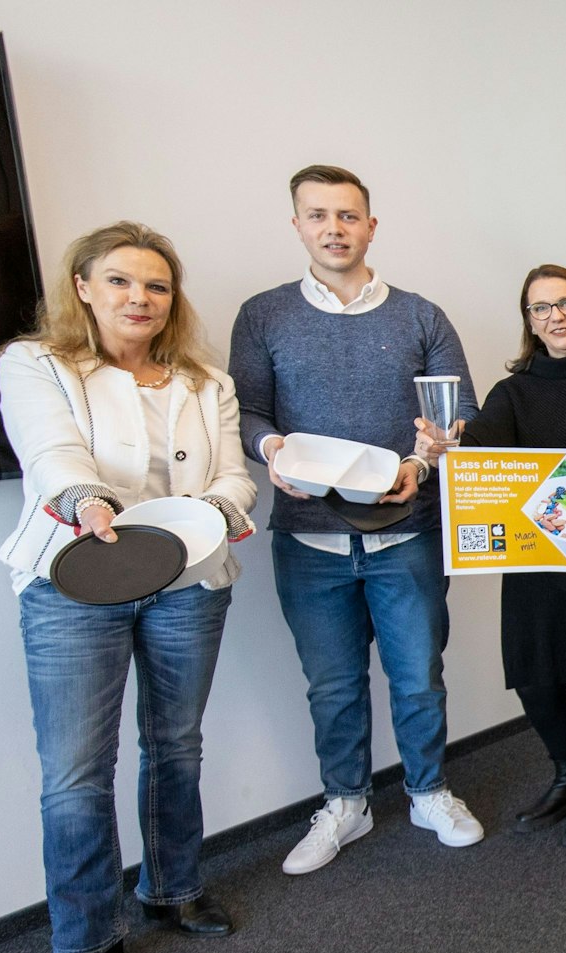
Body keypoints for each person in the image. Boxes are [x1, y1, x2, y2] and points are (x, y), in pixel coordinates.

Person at [0, 222, 258, 953]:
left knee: (175, 744)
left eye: (156, 285)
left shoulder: (206, 382)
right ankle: (82, 939)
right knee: (76, 770)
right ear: (82, 287)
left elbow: (233, 472)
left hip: (187, 582)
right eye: (119, 281)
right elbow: (51, 452)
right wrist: (87, 501)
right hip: (77, 579)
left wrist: (224, 509)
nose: (139, 298)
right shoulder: (34, 363)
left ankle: (174, 888)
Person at [230, 164, 482, 875]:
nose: (334, 228)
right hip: (308, 538)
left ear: (371, 226)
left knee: (418, 676)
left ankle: (428, 790)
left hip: (407, 529)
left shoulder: (421, 316)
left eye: (347, 215)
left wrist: (424, 461)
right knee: (333, 686)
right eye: (318, 215)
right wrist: (270, 449)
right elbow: (246, 411)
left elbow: (457, 413)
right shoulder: (263, 315)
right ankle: (347, 802)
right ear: (297, 225)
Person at [419, 266, 566, 846]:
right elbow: (480, 448)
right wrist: (448, 449)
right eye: (541, 308)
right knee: (533, 671)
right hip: (534, 557)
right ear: (529, 321)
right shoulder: (513, 392)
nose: (556, 316)